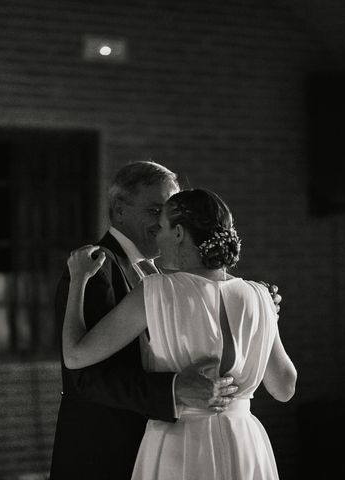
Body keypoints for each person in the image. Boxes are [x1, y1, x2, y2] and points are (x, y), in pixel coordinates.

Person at [50, 162, 282, 479]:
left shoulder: (166, 277)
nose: (161, 225)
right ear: (119, 210)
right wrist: (172, 390)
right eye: (154, 210)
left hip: (173, 449)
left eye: (168, 214)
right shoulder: (96, 268)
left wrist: (262, 319)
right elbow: (82, 378)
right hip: (107, 451)